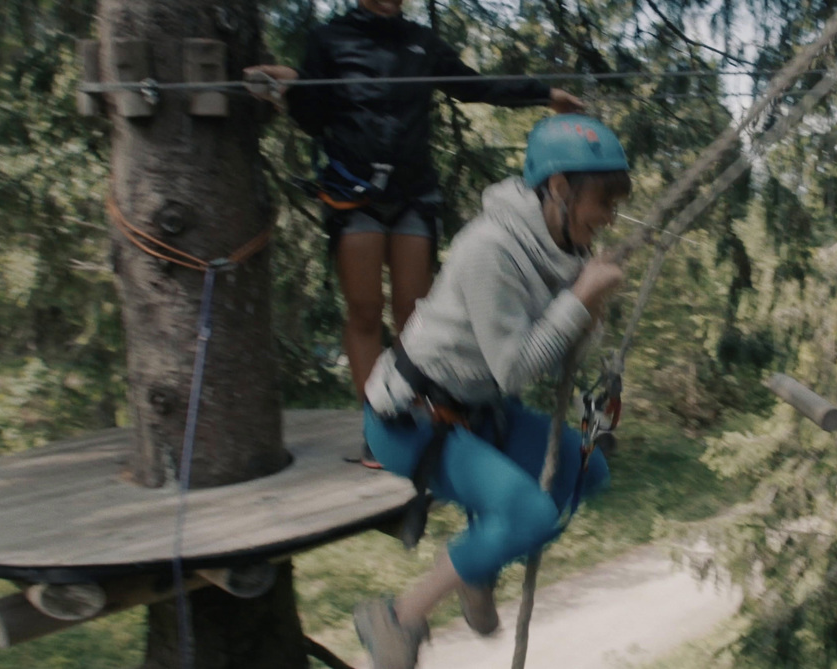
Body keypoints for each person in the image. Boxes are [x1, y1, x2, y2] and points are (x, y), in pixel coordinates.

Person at [350, 114, 629, 669]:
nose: (609, 217)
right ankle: (397, 616)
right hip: (414, 421)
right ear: (558, 189)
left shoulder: (562, 243)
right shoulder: (491, 248)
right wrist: (578, 301)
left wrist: (586, 304)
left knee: (587, 472)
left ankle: (475, 567)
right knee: (529, 515)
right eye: (602, 201)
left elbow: (559, 347)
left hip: (480, 413)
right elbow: (516, 370)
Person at [245, 0, 585, 446]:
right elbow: (313, 118)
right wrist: (288, 87)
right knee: (365, 311)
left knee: (417, 313)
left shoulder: (421, 42)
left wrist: (544, 94)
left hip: (412, 192)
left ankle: (423, 413)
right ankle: (378, 429)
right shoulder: (330, 39)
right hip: (353, 194)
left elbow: (473, 86)